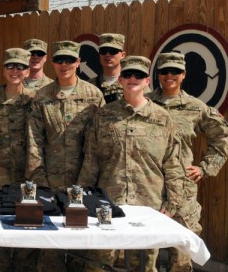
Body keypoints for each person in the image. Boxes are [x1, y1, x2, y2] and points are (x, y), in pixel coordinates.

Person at [78, 55, 185, 272]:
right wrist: (83, 200)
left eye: (139, 75)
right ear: (120, 80)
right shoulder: (104, 116)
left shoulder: (162, 118)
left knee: (143, 266)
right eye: (127, 74)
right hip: (108, 205)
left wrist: (171, 206)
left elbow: (173, 164)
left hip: (148, 207)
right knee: (97, 264)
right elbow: (91, 161)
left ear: (148, 80)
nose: (132, 79)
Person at [26, 40, 104, 271]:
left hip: (84, 181)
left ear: (78, 62)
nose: (64, 64)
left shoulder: (93, 95)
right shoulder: (42, 96)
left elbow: (96, 143)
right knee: (51, 249)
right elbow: (34, 139)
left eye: (70, 60)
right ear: (53, 62)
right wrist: (40, 180)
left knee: (82, 248)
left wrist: (87, 183)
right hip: (50, 182)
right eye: (59, 60)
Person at [147, 52, 228, 272]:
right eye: (164, 71)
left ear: (184, 74)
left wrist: (205, 168)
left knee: (181, 255)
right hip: (148, 186)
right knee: (145, 253)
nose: (169, 75)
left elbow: (221, 137)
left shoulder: (196, 108)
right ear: (158, 74)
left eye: (175, 71)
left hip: (182, 188)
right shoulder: (145, 104)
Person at [0, 47, 38, 272]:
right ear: (3, 69)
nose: (14, 71)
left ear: (28, 71)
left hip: (28, 171)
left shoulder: (35, 99)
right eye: (10, 66)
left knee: (27, 223)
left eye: (20, 67)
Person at [87, 33, 126, 103]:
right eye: (103, 51)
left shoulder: (132, 84)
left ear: (122, 55)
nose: (107, 55)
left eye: (113, 51)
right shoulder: (90, 86)